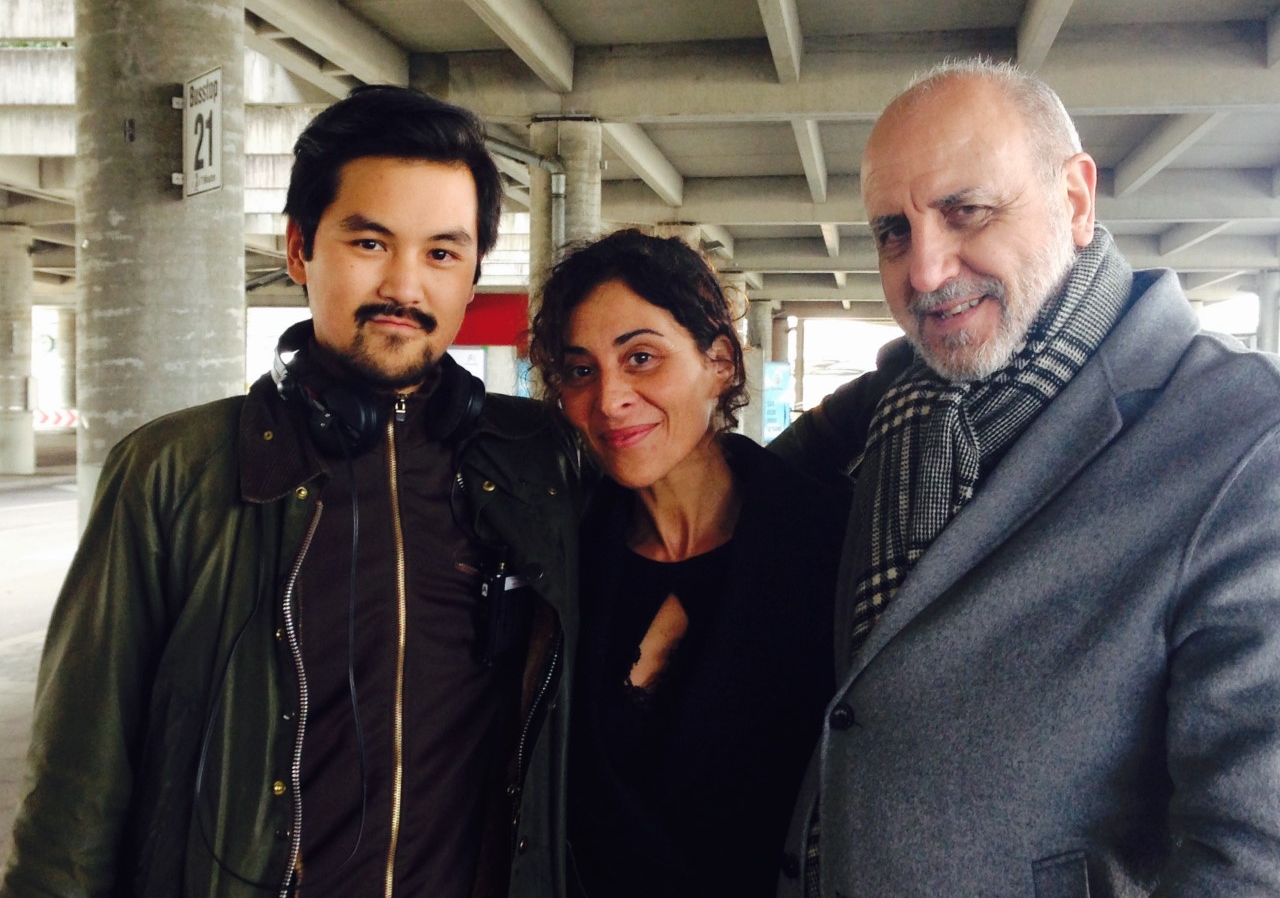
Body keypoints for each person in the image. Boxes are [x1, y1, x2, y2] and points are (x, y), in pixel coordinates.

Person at [2, 87, 583, 898]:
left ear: (474, 272)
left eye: (442, 254)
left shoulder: (539, 463)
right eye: (371, 242)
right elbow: (77, 784)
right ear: (301, 249)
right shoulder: (172, 472)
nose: (406, 285)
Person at [770, 58, 1280, 896]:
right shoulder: (902, 400)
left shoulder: (1241, 433)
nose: (925, 271)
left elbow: (1252, 851)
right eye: (893, 231)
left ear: (1075, 200)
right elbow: (746, 487)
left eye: (965, 211)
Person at [526, 229, 851, 898]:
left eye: (641, 358)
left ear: (720, 363)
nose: (609, 398)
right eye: (581, 370)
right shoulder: (559, 558)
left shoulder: (832, 542)